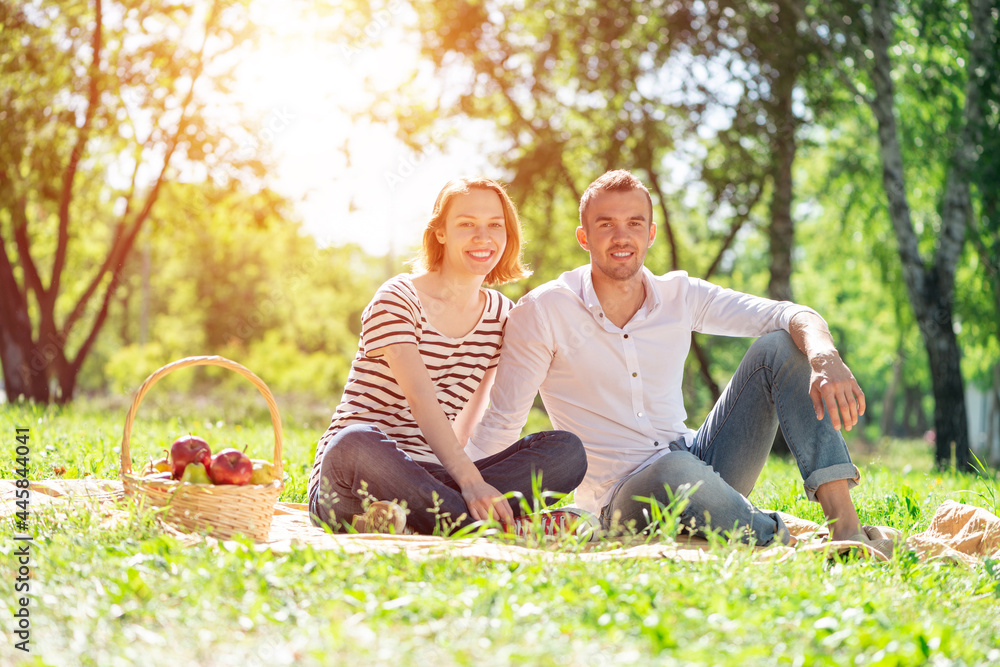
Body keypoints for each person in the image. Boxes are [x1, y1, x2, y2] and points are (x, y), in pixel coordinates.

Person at [465, 169, 892, 554]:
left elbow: (788, 313)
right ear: (584, 237)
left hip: (698, 459)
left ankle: (846, 528)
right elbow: (503, 419)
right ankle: (774, 536)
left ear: (651, 233)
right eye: (606, 225)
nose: (621, 237)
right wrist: (464, 492)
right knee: (673, 470)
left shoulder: (680, 295)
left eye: (634, 223)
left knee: (781, 346)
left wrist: (824, 356)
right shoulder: (544, 311)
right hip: (620, 496)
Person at [308, 177, 587, 536]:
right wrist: (471, 483)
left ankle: (425, 518)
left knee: (566, 451)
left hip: (428, 479)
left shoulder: (501, 314)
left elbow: (469, 421)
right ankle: (499, 528)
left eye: (494, 225)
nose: (482, 237)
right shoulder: (398, 297)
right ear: (440, 232)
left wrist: (475, 481)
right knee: (353, 442)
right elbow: (420, 398)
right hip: (352, 477)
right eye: (466, 224)